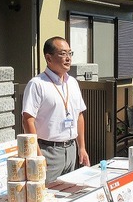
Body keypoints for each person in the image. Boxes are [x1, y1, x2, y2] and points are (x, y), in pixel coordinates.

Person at [22, 36, 90, 182]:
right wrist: (37, 154)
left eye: (70, 53)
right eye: (63, 54)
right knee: (46, 196)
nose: (68, 58)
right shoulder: (37, 84)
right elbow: (27, 120)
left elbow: (79, 115)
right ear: (49, 58)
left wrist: (82, 148)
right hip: (48, 151)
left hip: (71, 149)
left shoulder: (72, 82)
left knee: (67, 193)